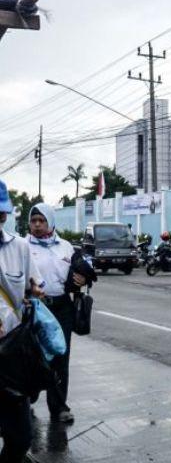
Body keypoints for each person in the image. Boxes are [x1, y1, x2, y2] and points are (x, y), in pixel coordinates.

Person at [26, 203, 88, 424]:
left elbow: (79, 273)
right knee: (32, 355)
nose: (37, 225)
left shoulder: (66, 247)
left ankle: (59, 406)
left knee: (61, 356)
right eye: (34, 221)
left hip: (62, 307)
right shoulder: (23, 246)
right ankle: (27, 397)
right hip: (34, 308)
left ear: (50, 222)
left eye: (42, 221)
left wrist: (81, 279)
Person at [0, 179, 44, 463]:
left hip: (11, 355)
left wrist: (35, 292)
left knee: (21, 436)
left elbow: (34, 286)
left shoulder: (20, 248)